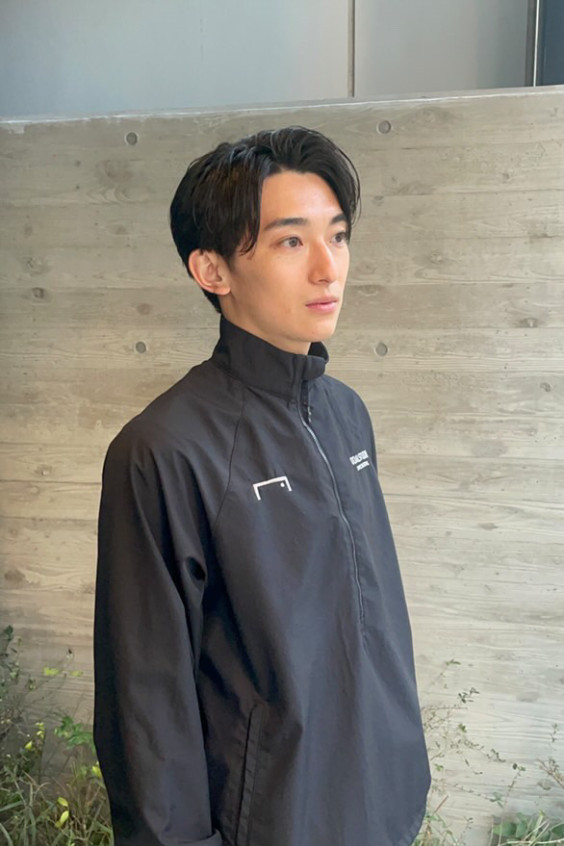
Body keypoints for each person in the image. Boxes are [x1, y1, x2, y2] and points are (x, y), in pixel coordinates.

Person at [94, 126, 431, 846]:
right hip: (272, 824)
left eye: (337, 236)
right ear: (212, 269)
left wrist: (406, 778)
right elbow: (144, 702)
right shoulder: (164, 449)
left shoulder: (346, 414)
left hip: (382, 807)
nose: (328, 268)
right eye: (291, 241)